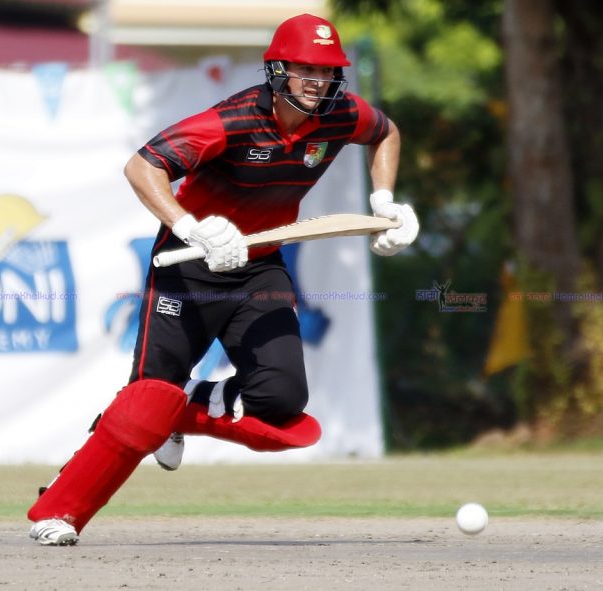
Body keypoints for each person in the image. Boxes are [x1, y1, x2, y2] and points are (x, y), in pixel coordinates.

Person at [26, 13, 419, 546]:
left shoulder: (341, 114)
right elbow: (142, 167)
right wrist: (192, 227)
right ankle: (61, 511)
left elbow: (386, 132)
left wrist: (384, 202)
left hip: (259, 268)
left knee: (282, 402)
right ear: (277, 70)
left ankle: (186, 404)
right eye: (305, 70)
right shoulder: (230, 121)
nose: (318, 82)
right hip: (188, 267)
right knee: (144, 403)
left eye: (327, 71)